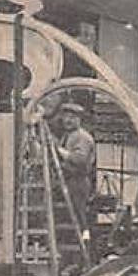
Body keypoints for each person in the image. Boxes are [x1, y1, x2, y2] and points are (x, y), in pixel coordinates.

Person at [54, 100, 97, 254]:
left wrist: (59, 152)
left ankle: (85, 249)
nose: (68, 120)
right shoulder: (68, 136)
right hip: (68, 180)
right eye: (66, 116)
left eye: (72, 117)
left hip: (77, 181)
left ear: (79, 119)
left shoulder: (82, 137)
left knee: (79, 217)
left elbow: (80, 159)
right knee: (69, 218)